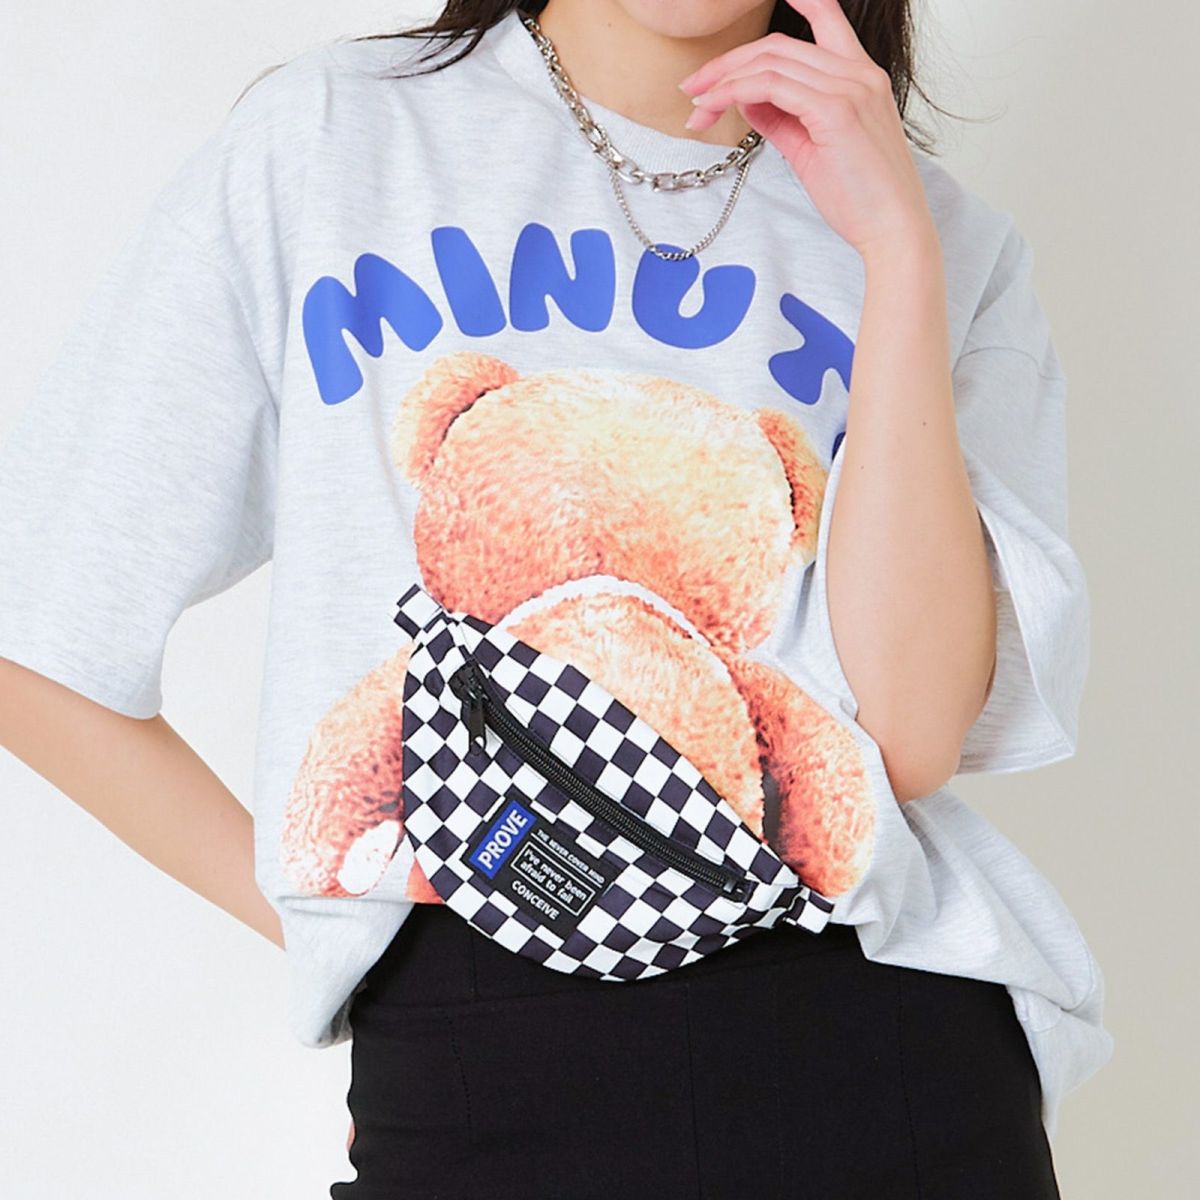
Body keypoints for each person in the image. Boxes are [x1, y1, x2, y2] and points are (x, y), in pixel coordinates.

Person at [0, 1, 1114, 1196]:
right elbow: (40, 640)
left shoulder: (942, 240)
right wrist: (362, 937)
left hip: (883, 1051)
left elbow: (906, 733)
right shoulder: (335, 140)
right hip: (483, 1049)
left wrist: (896, 255)